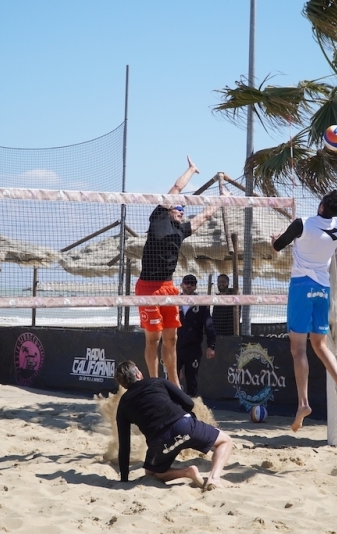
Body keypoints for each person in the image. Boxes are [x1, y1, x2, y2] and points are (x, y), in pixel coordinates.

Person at [271, 153, 337, 432]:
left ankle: (303, 402)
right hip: (322, 289)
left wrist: (274, 239)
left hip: (302, 286)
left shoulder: (303, 223)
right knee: (321, 345)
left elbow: (277, 248)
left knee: (298, 348)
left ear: (321, 205)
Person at [136, 156, 228, 388]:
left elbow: (205, 216)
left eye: (182, 209)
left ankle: (174, 383)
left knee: (171, 339)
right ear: (169, 210)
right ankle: (155, 382)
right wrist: (191, 170)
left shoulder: (181, 231)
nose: (181, 210)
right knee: (153, 339)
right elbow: (177, 189)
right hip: (147, 286)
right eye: (178, 207)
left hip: (168, 287)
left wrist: (222, 201)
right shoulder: (158, 217)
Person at [114, 360, 233, 490]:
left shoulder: (123, 405)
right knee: (225, 442)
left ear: (124, 385)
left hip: (160, 442)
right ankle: (214, 478)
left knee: (151, 472)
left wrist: (124, 478)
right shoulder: (157, 381)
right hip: (184, 425)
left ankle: (188, 472)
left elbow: (124, 445)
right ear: (138, 375)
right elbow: (189, 403)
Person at [176, 274, 216, 396]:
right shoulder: (174, 301)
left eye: (192, 283)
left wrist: (211, 345)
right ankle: (171, 407)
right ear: (182, 284)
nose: (189, 285)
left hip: (193, 348)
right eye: (187, 283)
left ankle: (192, 409)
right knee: (172, 379)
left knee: (191, 379)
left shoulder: (201, 303)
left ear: (195, 286)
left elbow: (208, 324)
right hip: (174, 346)